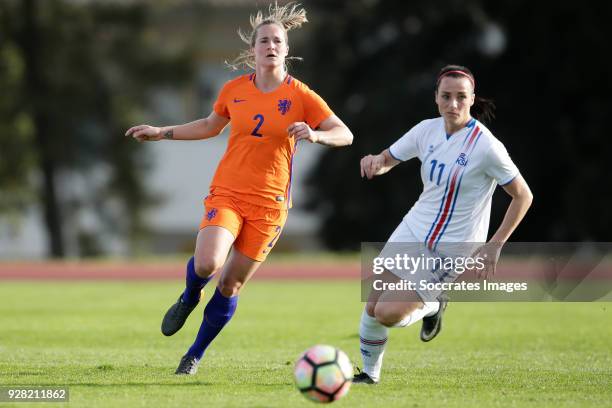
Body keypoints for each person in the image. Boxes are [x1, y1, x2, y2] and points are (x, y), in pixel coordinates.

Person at [125, 3, 353, 375]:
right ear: (253, 50)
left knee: (230, 285)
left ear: (285, 48)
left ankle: (194, 354)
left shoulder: (301, 96)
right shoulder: (234, 90)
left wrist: (315, 134)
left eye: (277, 40)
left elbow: (345, 133)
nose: (271, 45)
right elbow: (209, 126)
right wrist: (162, 131)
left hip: (270, 206)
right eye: (264, 40)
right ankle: (189, 296)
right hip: (228, 192)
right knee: (208, 263)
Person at [353, 65, 533, 384]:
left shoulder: (487, 146)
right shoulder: (426, 130)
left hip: (452, 248)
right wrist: (374, 163)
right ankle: (369, 376)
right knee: (371, 305)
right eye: (446, 96)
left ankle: (435, 304)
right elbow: (387, 160)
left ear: (472, 99)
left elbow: (523, 196)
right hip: (413, 229)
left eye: (461, 97)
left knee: (388, 313)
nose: (453, 104)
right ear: (436, 97)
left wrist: (495, 245)